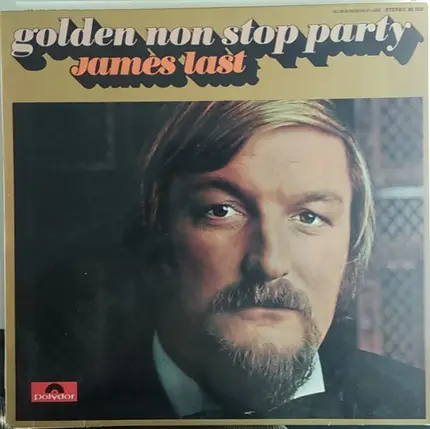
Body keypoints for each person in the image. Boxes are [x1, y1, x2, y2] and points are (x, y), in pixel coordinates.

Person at [8, 100, 425, 425]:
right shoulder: (48, 413)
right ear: (157, 233)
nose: (269, 262)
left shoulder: (416, 405)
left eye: (309, 217)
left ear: (351, 249)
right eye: (221, 211)